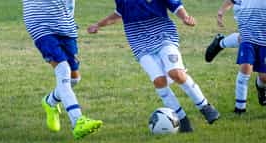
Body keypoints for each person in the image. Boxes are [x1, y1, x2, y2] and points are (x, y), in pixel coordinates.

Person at [87, 0, 219, 132]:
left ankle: (205, 106)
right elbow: (119, 13)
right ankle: (181, 119)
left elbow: (175, 5)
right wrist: (98, 25)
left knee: (176, 73)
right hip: (140, 44)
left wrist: (185, 17)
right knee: (159, 81)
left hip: (164, 36)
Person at [23, 0, 102, 139]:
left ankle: (50, 101)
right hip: (40, 24)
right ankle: (77, 121)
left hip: (65, 26)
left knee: (74, 79)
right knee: (63, 70)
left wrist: (70, 20)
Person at [232, 0, 266, 114]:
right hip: (248, 35)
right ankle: (240, 108)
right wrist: (221, 11)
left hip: (264, 38)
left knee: (264, 77)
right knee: (245, 69)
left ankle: (260, 86)